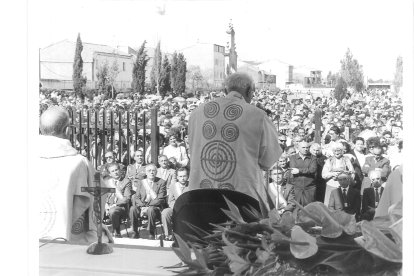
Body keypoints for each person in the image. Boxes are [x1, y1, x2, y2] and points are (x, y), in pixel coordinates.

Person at [188, 72, 282, 204]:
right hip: (242, 197)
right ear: (249, 91)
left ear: (226, 90)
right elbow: (268, 160)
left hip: (201, 197)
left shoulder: (196, 113)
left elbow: (192, 149)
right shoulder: (258, 115)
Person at [39, 106, 109, 243]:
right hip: (69, 239)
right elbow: (98, 196)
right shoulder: (79, 163)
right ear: (68, 130)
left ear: (41, 129)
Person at [129, 164, 167, 239]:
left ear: (156, 172)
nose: (151, 172)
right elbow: (136, 197)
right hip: (142, 206)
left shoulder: (161, 182)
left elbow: (160, 199)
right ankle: (135, 231)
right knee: (133, 209)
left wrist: (147, 206)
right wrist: (142, 205)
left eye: (153, 171)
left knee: (151, 209)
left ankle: (151, 232)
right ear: (146, 173)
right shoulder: (141, 182)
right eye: (149, 171)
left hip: (155, 207)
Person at [161, 167, 190, 241]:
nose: (182, 178)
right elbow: (170, 200)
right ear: (177, 177)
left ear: (188, 176)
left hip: (188, 209)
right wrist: (176, 207)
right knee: (165, 212)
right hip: (176, 208)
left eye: (184, 176)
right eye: (180, 176)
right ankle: (168, 235)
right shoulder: (173, 186)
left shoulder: (191, 186)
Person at [104, 163, 132, 238]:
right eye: (112, 171)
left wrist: (114, 205)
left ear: (120, 170)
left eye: (116, 170)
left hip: (121, 207)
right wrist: (105, 204)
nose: (115, 172)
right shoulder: (107, 182)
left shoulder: (126, 181)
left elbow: (126, 198)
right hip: (108, 206)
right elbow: (103, 196)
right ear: (110, 174)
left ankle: (117, 233)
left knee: (113, 211)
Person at [289, 141, 317, 206]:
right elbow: (293, 170)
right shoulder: (293, 158)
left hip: (310, 187)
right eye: (303, 147)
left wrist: (299, 171)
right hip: (297, 187)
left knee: (310, 207)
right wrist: (307, 171)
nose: (305, 149)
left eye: (307, 147)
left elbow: (313, 170)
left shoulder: (313, 157)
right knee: (297, 207)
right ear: (298, 148)